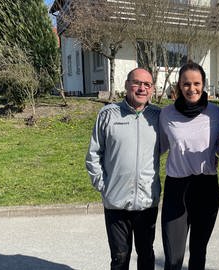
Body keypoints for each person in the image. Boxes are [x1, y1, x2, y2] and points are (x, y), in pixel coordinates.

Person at [86, 68, 162, 270]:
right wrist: (104, 186)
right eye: (137, 83)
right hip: (116, 203)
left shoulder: (157, 117)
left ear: (152, 89)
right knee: (120, 257)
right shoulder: (108, 114)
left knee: (146, 255)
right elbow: (94, 153)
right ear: (127, 85)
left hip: (147, 202)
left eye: (147, 84)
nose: (142, 88)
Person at [159, 61, 219, 270]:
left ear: (204, 84)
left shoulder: (216, 113)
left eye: (197, 83)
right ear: (179, 85)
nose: (192, 89)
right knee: (173, 259)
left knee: (198, 254)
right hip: (176, 189)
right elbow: (157, 147)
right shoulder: (166, 114)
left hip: (206, 187)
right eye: (186, 84)